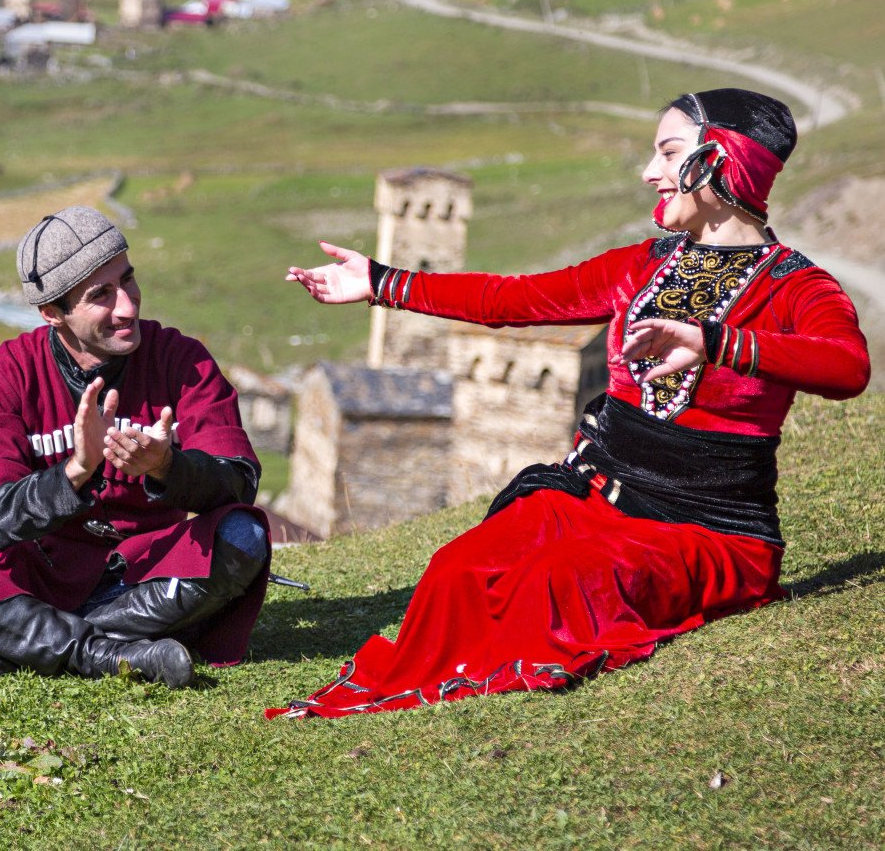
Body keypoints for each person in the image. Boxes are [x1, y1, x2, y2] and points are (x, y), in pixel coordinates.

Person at [272, 88, 870, 719]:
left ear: (723, 162)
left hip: (708, 532)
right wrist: (380, 282)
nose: (649, 173)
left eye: (669, 154)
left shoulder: (797, 287)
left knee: (556, 580)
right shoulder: (643, 264)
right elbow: (518, 298)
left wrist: (718, 342)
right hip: (597, 497)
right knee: (458, 568)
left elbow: (847, 366)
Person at [0, 206, 271, 687]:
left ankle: (19, 647)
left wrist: (170, 468)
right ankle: (101, 654)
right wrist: (75, 473)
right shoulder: (3, 375)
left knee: (244, 536)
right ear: (52, 313)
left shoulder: (181, 360)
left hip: (142, 575)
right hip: (32, 582)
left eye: (128, 281)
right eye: (101, 295)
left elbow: (239, 480)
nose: (127, 306)